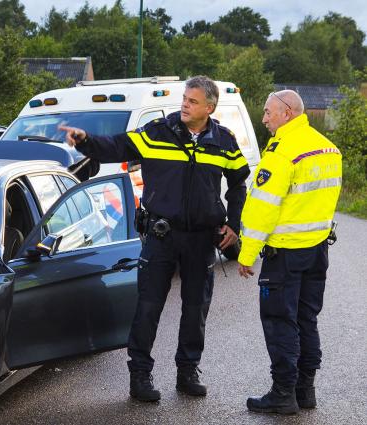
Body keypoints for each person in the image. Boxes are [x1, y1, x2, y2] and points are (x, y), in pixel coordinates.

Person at [60, 76, 250, 402]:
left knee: (196, 309)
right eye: (184, 99)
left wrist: (234, 223)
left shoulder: (224, 141)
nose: (185, 105)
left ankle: (187, 372)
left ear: (209, 107)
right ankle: (140, 376)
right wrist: (85, 140)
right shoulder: (157, 132)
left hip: (202, 240)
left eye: (192, 101)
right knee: (148, 308)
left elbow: (238, 184)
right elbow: (116, 145)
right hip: (162, 236)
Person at [237, 90, 342, 414]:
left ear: (287, 112)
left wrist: (246, 254)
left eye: (268, 112)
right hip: (316, 251)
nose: (264, 118)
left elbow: (262, 209)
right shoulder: (328, 148)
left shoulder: (282, 153)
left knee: (280, 321)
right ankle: (304, 391)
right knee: (306, 319)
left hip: (284, 254)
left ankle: (283, 394)